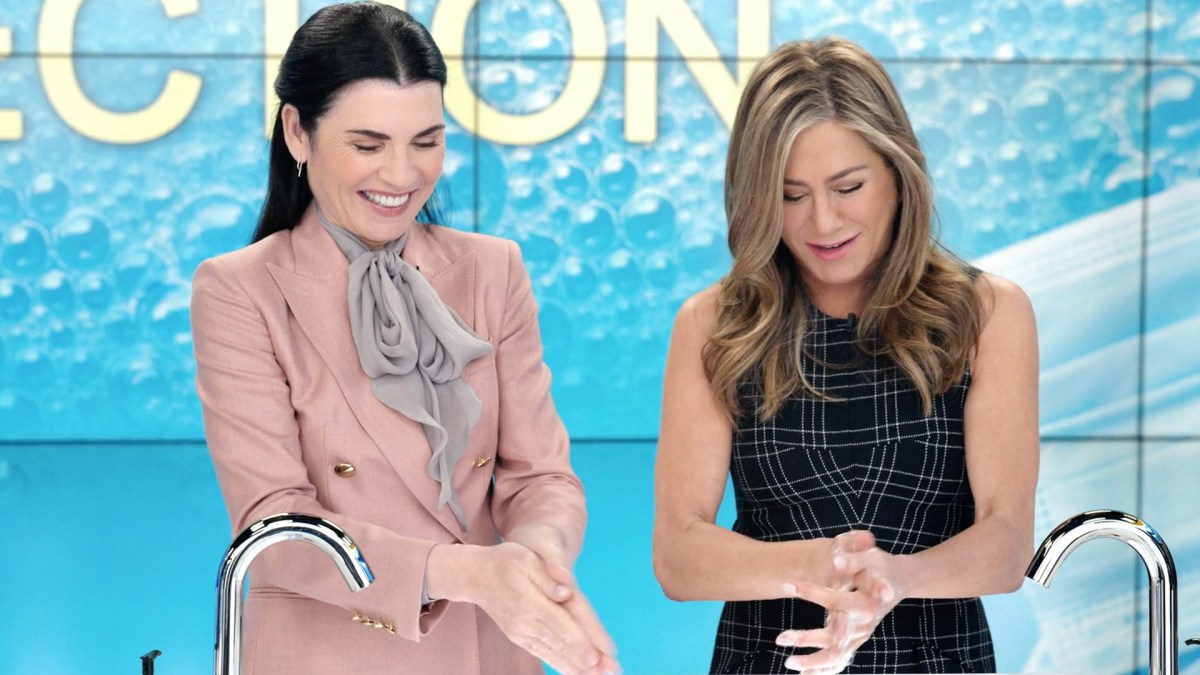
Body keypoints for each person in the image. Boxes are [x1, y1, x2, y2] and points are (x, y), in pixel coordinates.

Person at [190, 4, 618, 674]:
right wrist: (470, 572)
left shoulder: (492, 268)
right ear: (297, 132)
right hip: (325, 654)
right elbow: (274, 527)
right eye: (368, 145)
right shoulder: (239, 290)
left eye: (426, 141)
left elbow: (541, 475)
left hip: (488, 648)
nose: (401, 175)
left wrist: (535, 564)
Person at [652, 37, 1039, 674]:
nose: (823, 223)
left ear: (897, 172)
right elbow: (678, 557)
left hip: (939, 659)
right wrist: (831, 569)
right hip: (769, 660)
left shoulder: (988, 314)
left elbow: (1005, 544)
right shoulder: (713, 325)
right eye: (791, 195)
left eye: (847, 187)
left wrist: (896, 579)